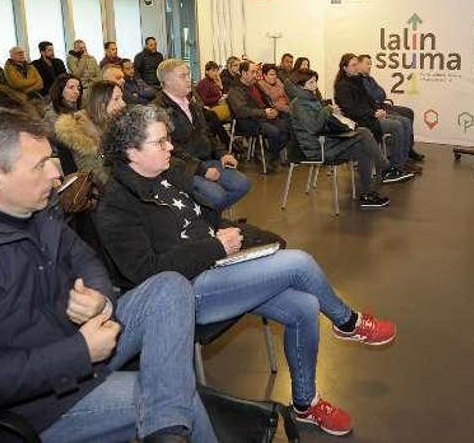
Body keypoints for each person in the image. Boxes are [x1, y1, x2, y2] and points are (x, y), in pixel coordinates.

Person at [0, 107, 215, 443]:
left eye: (52, 158)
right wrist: (78, 353)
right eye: (40, 165)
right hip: (36, 402)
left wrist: (99, 297)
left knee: (169, 287)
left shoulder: (34, 208)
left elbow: (86, 259)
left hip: (77, 342)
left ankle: (166, 422)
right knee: (177, 398)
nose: (56, 174)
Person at [96, 105, 396, 437]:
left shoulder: (165, 176)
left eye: (168, 140)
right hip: (184, 294)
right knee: (299, 263)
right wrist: (215, 247)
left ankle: (306, 403)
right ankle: (348, 322)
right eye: (160, 142)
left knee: (305, 307)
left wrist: (237, 242)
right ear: (130, 152)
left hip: (218, 268)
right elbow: (148, 273)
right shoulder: (117, 205)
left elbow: (202, 221)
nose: (170, 147)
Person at [291, 69, 411, 208]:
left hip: (327, 140)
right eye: (311, 82)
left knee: (363, 149)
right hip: (317, 148)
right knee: (364, 132)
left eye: (315, 81)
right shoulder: (299, 104)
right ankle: (386, 169)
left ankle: (368, 194)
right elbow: (313, 127)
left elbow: (321, 122)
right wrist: (327, 111)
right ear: (301, 85)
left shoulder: (311, 99)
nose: (315, 85)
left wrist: (332, 114)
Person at [156, 59, 250, 211]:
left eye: (188, 75)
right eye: (183, 76)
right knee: (216, 196)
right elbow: (172, 149)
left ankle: (207, 218)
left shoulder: (191, 103)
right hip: (184, 168)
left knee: (242, 184)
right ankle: (203, 221)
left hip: (206, 160)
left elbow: (207, 132)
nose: (189, 79)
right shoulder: (159, 109)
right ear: (167, 81)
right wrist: (202, 170)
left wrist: (222, 153)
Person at [334, 53, 418, 174]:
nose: (356, 67)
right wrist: (373, 113)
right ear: (345, 68)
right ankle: (396, 165)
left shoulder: (357, 81)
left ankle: (403, 161)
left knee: (404, 121)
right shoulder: (343, 86)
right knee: (397, 125)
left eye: (357, 64)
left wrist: (377, 110)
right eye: (353, 65)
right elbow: (351, 110)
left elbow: (370, 99)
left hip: (371, 114)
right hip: (361, 121)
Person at [55, 80, 126, 187]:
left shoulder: (117, 121)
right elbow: (96, 176)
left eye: (121, 98)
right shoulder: (78, 132)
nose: (123, 103)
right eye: (116, 99)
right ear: (100, 104)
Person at [357, 54, 423, 162]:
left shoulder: (370, 79)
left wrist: (376, 97)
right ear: (359, 64)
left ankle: (408, 149)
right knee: (402, 120)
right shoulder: (358, 81)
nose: (370, 66)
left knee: (408, 112)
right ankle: (400, 155)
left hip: (381, 105)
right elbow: (371, 95)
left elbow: (382, 93)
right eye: (367, 63)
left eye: (371, 64)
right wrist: (376, 97)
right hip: (375, 110)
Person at [226, 61, 290, 169]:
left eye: (256, 72)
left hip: (262, 117)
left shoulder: (255, 85)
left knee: (289, 127)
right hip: (247, 121)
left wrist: (273, 110)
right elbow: (242, 111)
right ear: (243, 73)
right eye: (253, 72)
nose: (256, 75)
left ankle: (268, 154)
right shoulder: (235, 90)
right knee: (274, 132)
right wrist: (264, 113)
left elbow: (267, 100)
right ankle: (268, 156)